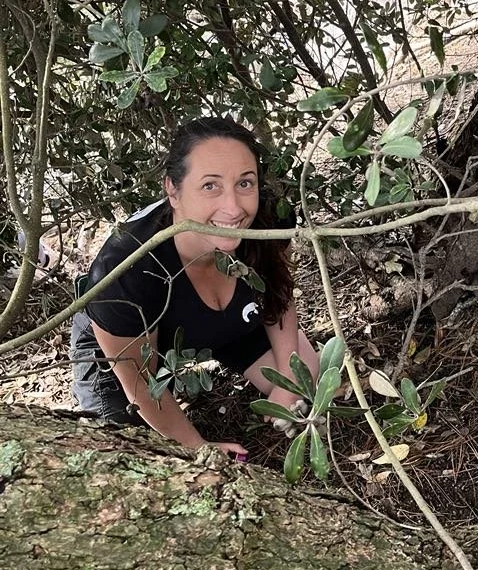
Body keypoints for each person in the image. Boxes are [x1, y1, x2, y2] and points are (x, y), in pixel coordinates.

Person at [70, 117, 318, 455]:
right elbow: (141, 386)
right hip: (132, 351)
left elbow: (276, 292)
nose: (233, 208)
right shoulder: (124, 272)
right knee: (128, 450)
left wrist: (288, 381)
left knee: (309, 379)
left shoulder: (269, 215)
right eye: (210, 186)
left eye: (245, 183)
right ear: (173, 189)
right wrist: (199, 449)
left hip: (228, 322)